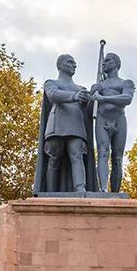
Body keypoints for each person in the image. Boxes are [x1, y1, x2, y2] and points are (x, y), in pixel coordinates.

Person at [33, 54, 97, 194]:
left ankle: (80, 189)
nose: (74, 65)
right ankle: (49, 192)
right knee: (54, 158)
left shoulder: (81, 88)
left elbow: (89, 111)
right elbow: (53, 95)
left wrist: (94, 95)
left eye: (75, 63)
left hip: (77, 126)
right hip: (57, 126)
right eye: (70, 62)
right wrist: (74, 96)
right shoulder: (51, 83)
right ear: (60, 65)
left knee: (77, 155)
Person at [90, 53, 135, 192]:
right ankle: (103, 190)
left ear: (116, 63)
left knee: (117, 158)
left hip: (119, 119)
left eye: (107, 60)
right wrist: (93, 95)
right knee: (102, 153)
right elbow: (89, 107)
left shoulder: (125, 83)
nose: (104, 63)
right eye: (103, 61)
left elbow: (127, 98)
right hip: (102, 119)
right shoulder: (99, 85)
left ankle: (115, 193)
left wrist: (103, 99)